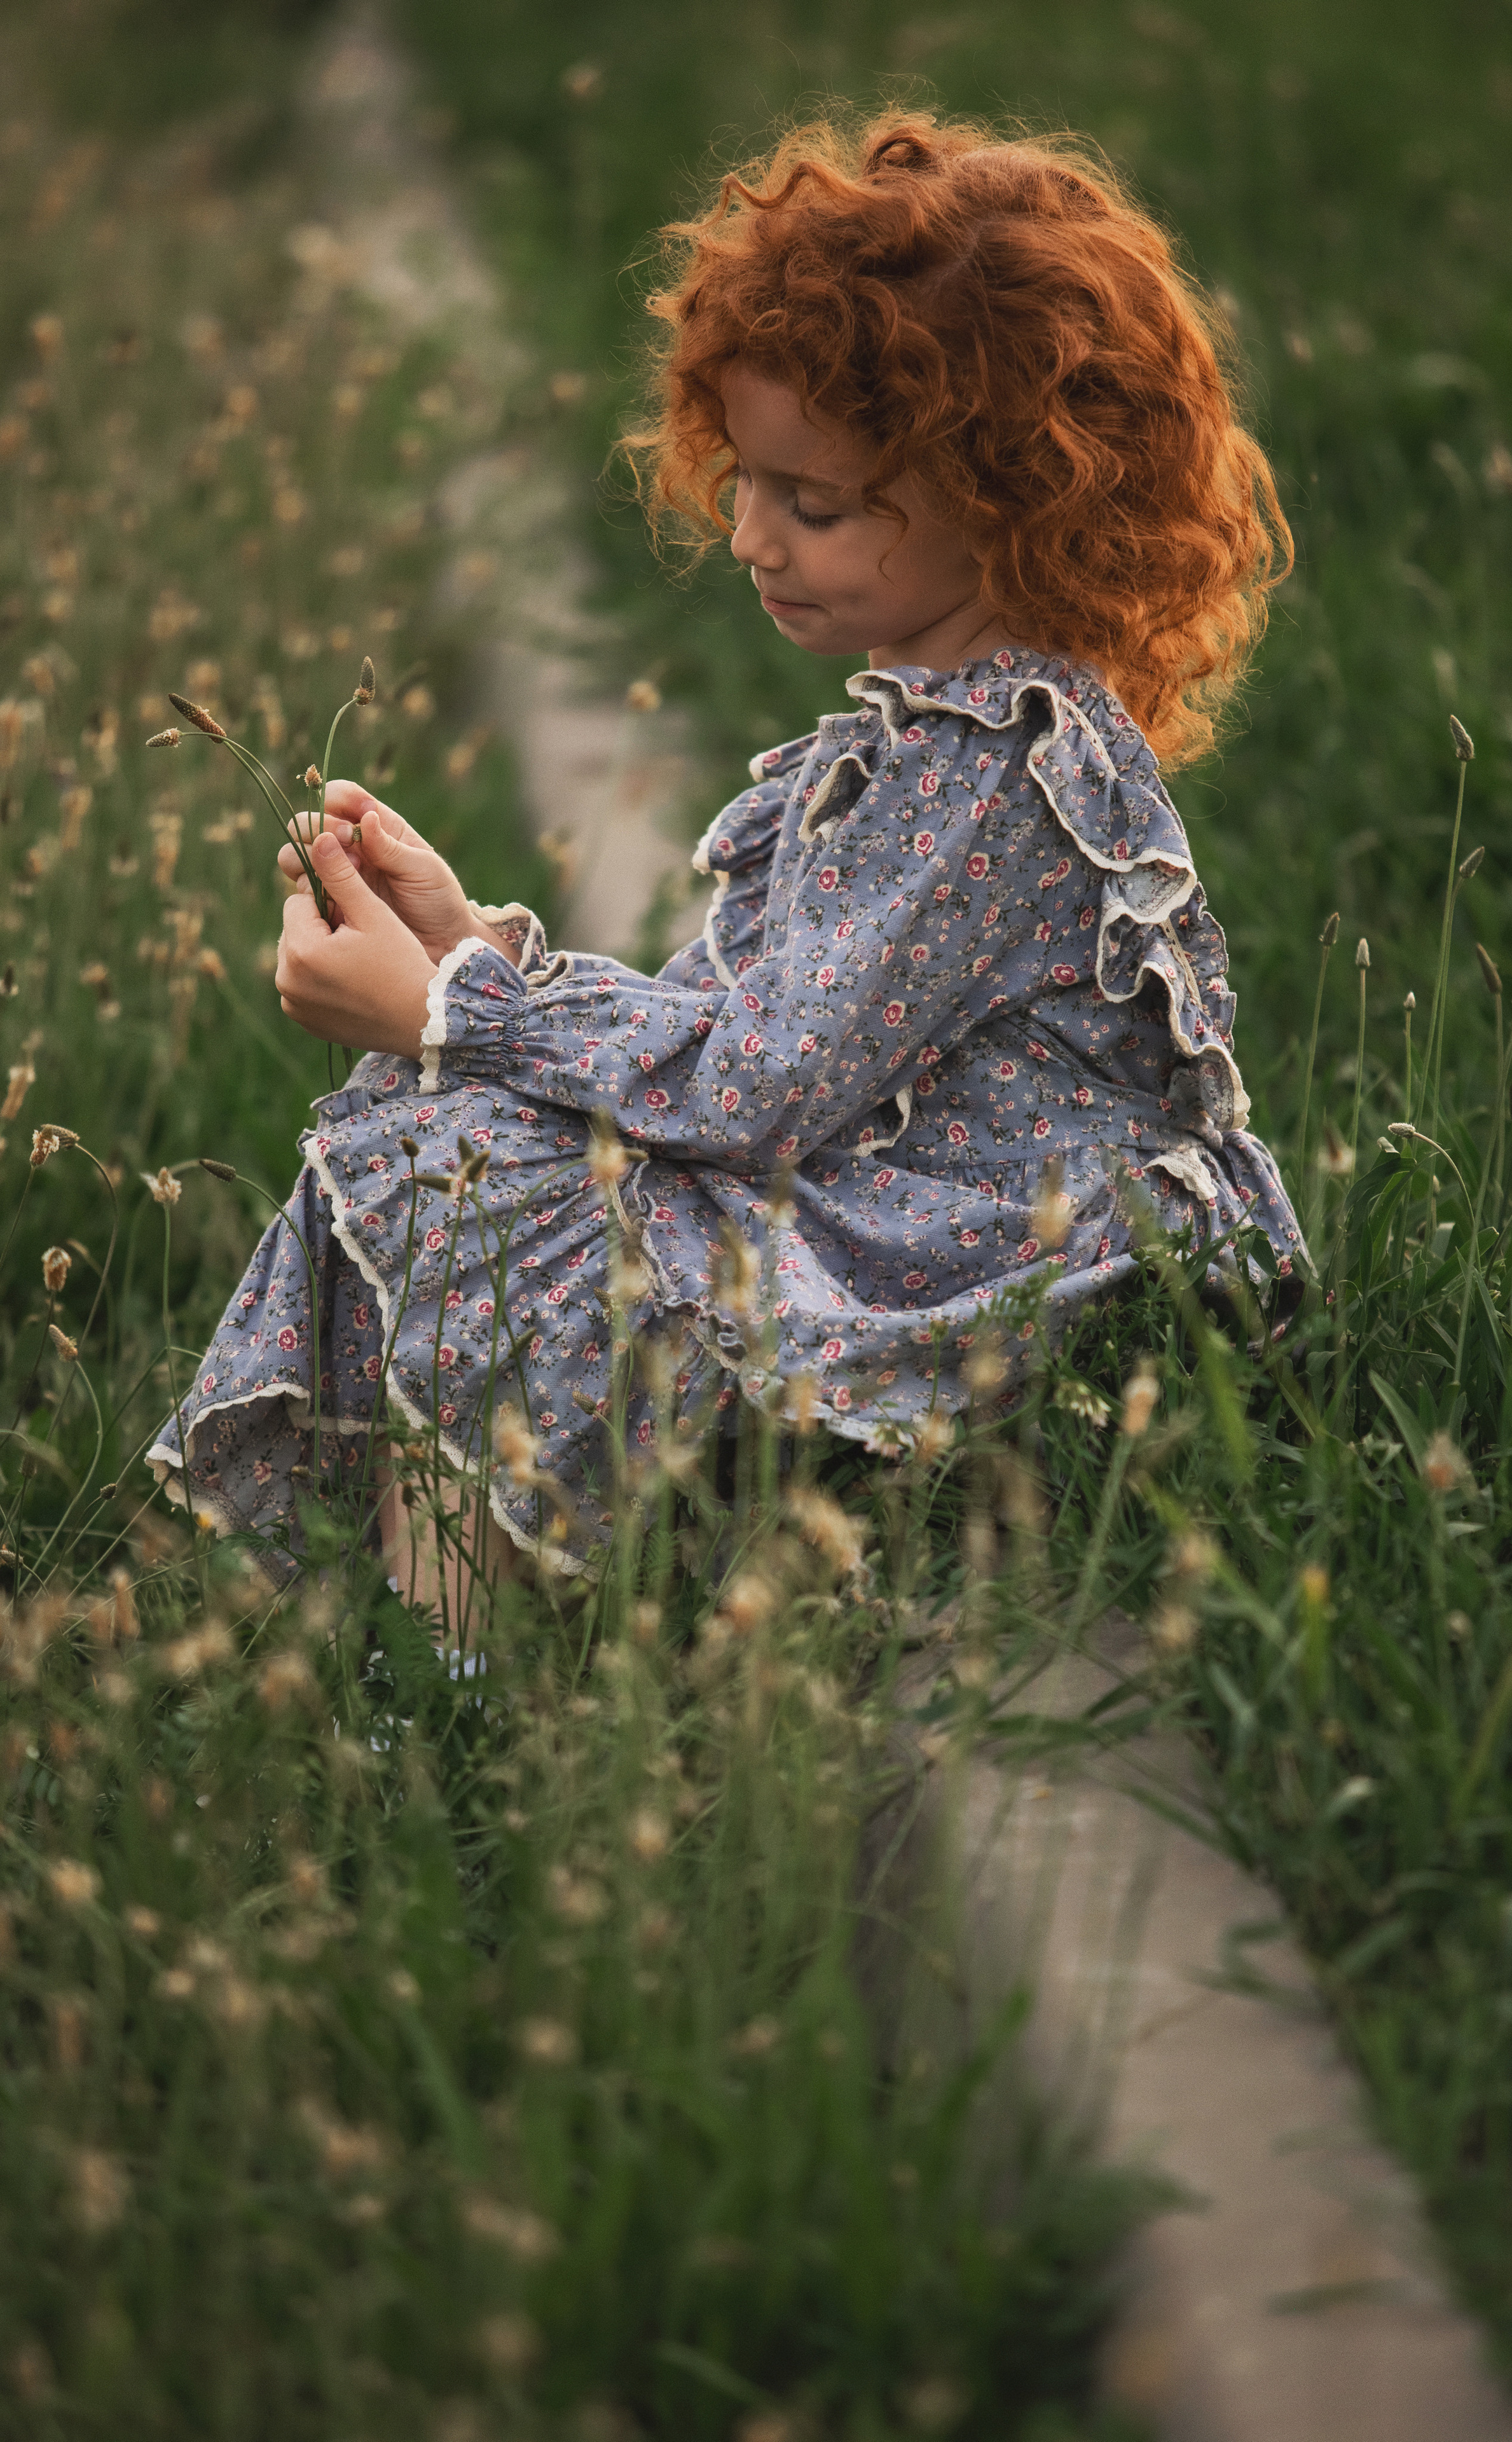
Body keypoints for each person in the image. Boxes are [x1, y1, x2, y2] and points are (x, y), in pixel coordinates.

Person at [148, 113, 1304, 1591]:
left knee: (460, 1159)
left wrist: (451, 1021)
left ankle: (445, 1680)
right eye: (745, 479)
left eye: (810, 504)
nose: (750, 535)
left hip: (1006, 1273)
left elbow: (751, 1096)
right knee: (450, 1131)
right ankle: (382, 1622)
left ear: (1006, 500)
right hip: (886, 1207)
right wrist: (473, 956)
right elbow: (730, 1033)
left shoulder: (993, 778)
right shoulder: (926, 740)